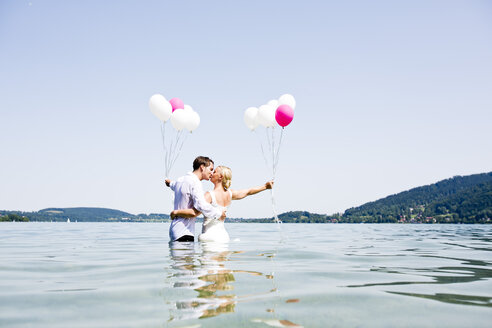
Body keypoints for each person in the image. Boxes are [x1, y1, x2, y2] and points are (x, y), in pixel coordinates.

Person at [168, 165, 273, 242]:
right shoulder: (230, 194)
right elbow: (248, 192)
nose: (212, 173)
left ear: (220, 177)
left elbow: (194, 213)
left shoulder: (209, 195)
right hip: (223, 237)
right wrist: (265, 186)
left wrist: (176, 212)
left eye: (215, 172)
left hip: (209, 237)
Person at [166, 156, 227, 242]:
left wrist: (169, 182)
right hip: (185, 232)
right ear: (202, 167)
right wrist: (219, 214)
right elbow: (201, 206)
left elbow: (173, 184)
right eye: (210, 169)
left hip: (174, 230)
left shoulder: (180, 180)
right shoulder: (195, 182)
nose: (212, 173)